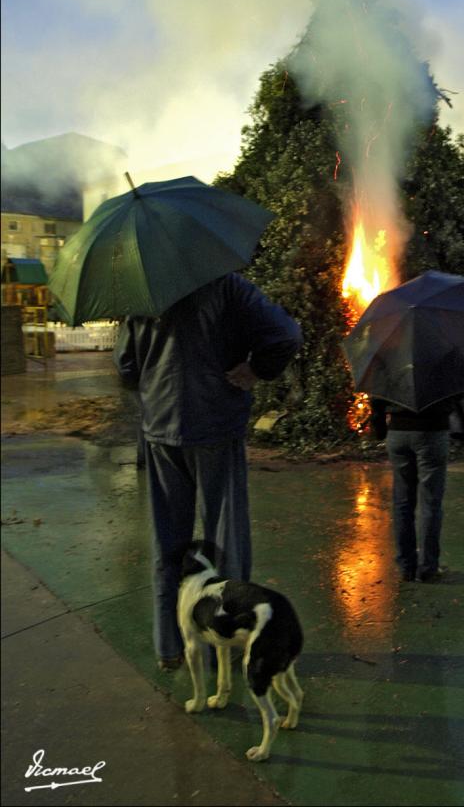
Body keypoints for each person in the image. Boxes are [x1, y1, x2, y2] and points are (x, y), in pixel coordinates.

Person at [114, 271, 302, 670]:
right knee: (226, 535)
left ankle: (169, 648)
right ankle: (226, 648)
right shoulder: (228, 286)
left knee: (168, 543)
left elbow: (126, 368)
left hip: (162, 431)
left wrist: (154, 384)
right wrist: (255, 370)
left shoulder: (143, 292)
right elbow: (286, 335)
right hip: (216, 424)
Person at [370, 396, 455, 583]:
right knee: (431, 502)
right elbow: (456, 393)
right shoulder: (444, 366)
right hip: (432, 430)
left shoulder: (392, 366)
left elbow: (377, 395)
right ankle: (428, 568)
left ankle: (406, 567)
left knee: (402, 501)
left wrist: (380, 424)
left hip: (399, 432)